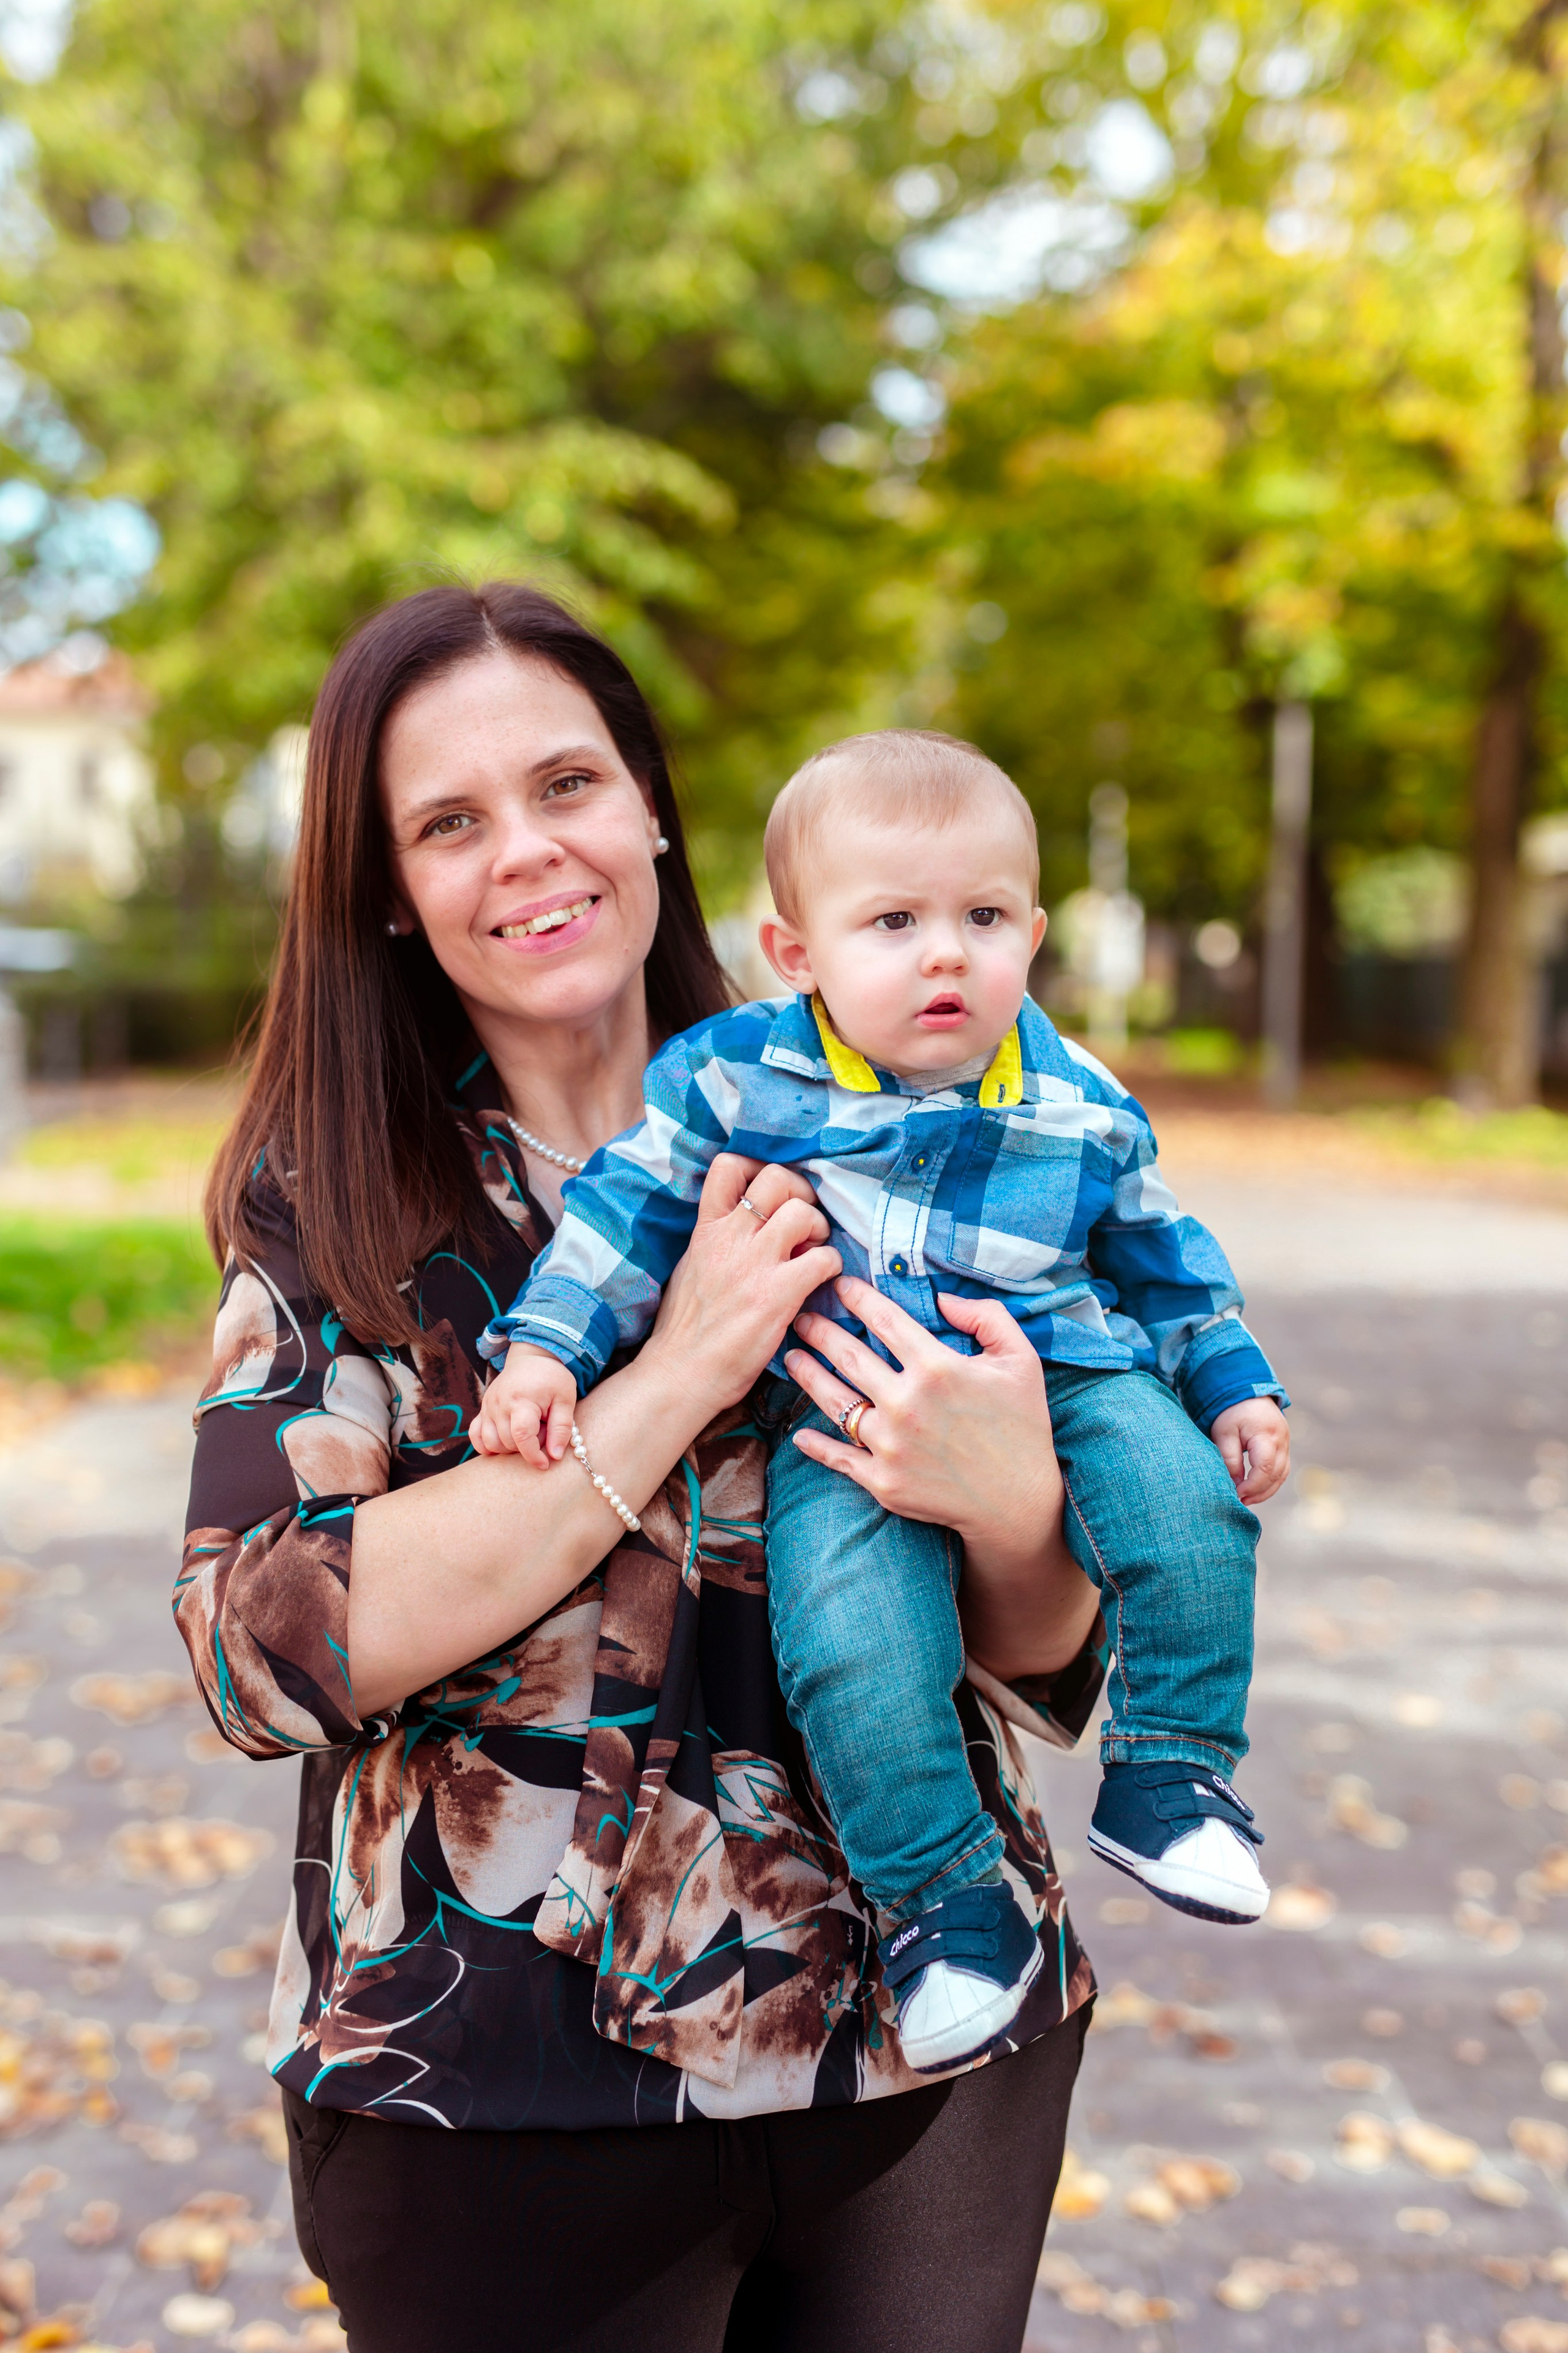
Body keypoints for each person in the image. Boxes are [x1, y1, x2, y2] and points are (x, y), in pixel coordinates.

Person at [178, 584, 1110, 2353]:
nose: (527, 851)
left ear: (651, 809)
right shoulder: (336, 1198)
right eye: (449, 822)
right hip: (490, 2093)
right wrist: (678, 1369)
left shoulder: (913, 1108)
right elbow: (256, 1653)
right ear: (389, 890)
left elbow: (1050, 1657)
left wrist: (1010, 1500)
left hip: (922, 2058)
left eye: (567, 784)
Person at [477, 728, 1291, 2079]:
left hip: (1067, 1369)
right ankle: (948, 1908)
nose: (944, 956)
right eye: (894, 922)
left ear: (1033, 934)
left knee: (1190, 1509)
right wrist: (548, 1352)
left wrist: (1234, 1386)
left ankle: (1173, 1772)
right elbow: (622, 1213)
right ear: (795, 953)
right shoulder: (737, 1078)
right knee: (854, 1641)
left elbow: (1167, 1259)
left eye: (984, 918)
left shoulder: (1080, 1100)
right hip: (840, 1405)